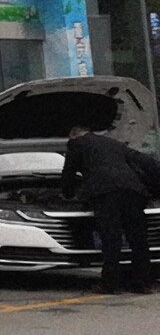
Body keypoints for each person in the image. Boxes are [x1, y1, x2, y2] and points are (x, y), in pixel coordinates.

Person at [64, 126, 156, 294]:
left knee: (111, 238)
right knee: (138, 238)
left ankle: (111, 284)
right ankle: (142, 283)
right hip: (133, 190)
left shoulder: (76, 143)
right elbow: (144, 161)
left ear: (74, 135)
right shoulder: (113, 143)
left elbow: (69, 172)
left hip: (105, 192)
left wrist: (67, 194)